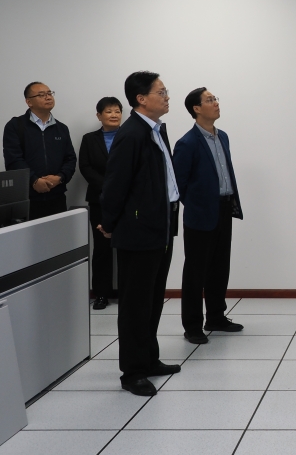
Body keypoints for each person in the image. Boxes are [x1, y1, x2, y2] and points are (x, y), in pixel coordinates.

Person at [98, 71, 181, 397]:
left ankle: (148, 359)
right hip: (139, 230)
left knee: (152, 300)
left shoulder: (155, 130)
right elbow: (115, 184)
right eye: (161, 92)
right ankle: (132, 372)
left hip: (161, 227)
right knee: (135, 305)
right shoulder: (131, 134)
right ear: (141, 99)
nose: (167, 96)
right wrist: (109, 223)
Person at [173, 87, 244, 345]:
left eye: (215, 99)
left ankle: (216, 317)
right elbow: (178, 184)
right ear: (196, 108)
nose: (216, 103)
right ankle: (192, 326)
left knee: (219, 266)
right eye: (210, 100)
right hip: (201, 213)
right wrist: (198, 204)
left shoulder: (222, 136)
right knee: (195, 271)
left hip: (224, 208)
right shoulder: (187, 143)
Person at [2, 82, 77, 220]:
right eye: (41, 95)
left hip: (57, 197)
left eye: (49, 93)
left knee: (57, 233)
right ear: (29, 102)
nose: (48, 97)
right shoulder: (15, 126)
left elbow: (70, 159)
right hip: (27, 199)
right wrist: (34, 181)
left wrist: (60, 178)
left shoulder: (61, 128)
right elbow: (14, 159)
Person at [79, 97, 123, 310]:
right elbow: (85, 167)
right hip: (99, 199)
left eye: (117, 111)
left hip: (127, 200)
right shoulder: (89, 139)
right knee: (102, 248)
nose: (114, 115)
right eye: (108, 111)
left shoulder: (130, 136)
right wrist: (107, 186)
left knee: (126, 247)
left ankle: (127, 292)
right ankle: (101, 294)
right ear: (99, 115)